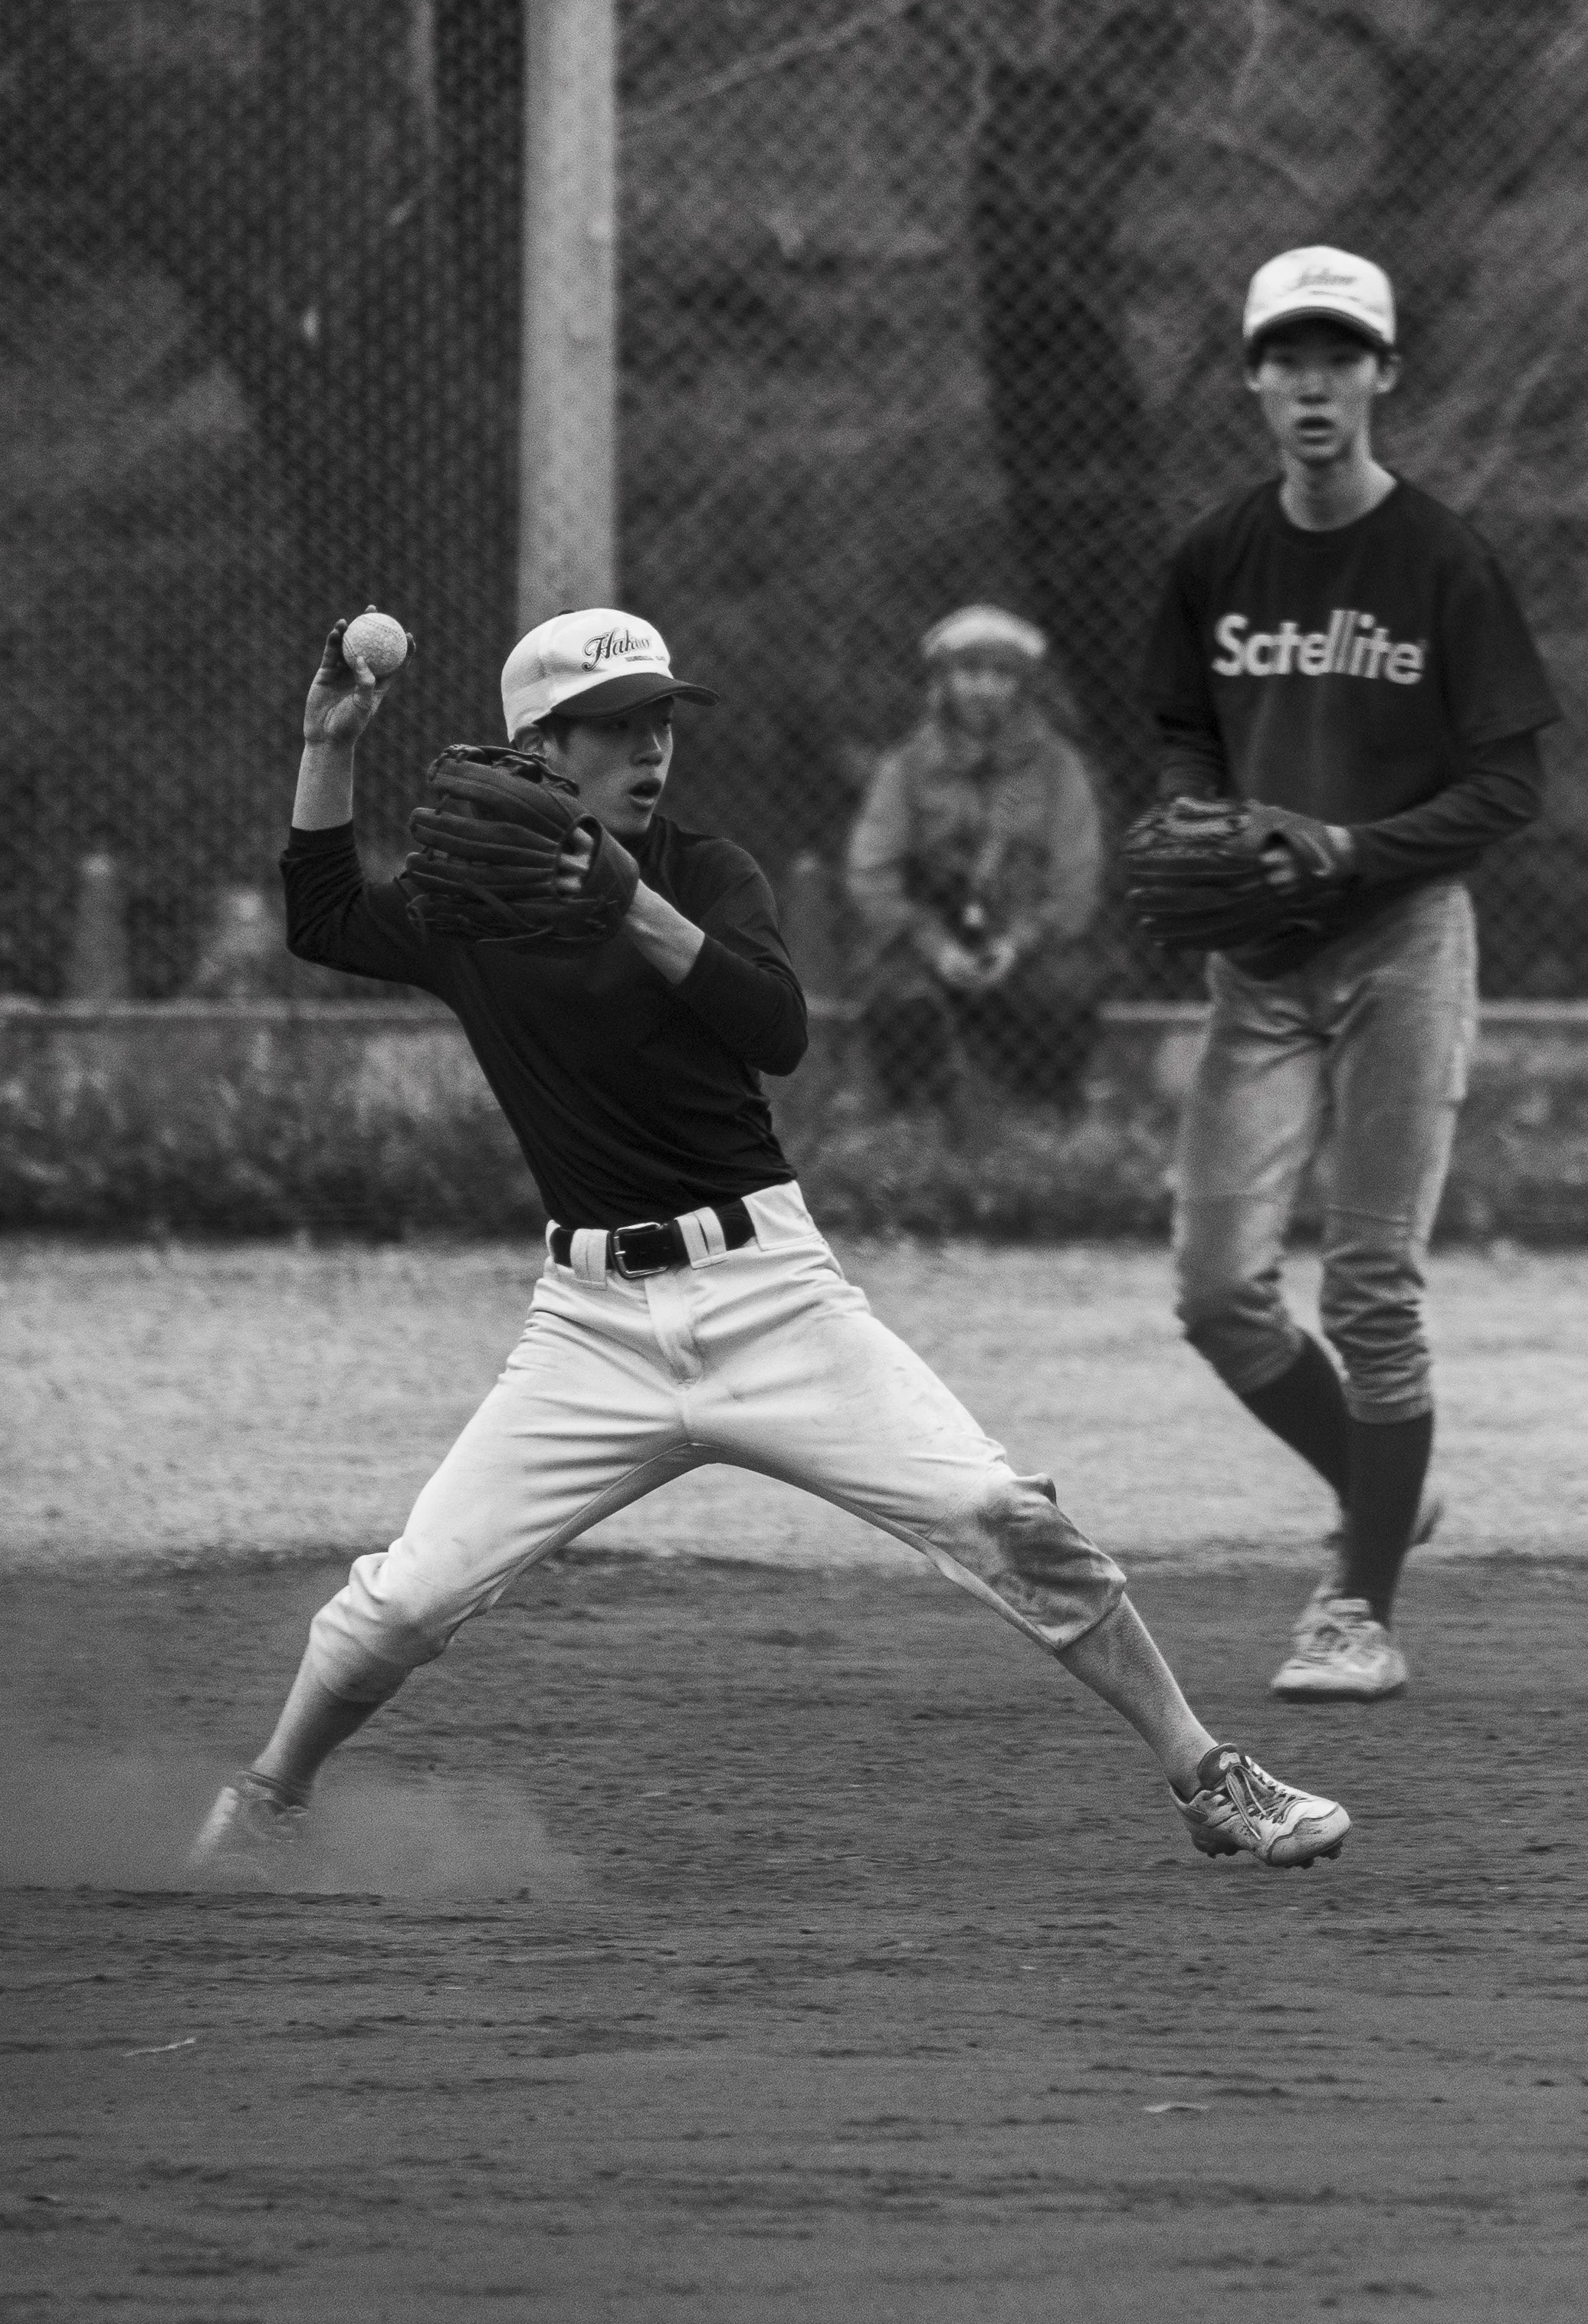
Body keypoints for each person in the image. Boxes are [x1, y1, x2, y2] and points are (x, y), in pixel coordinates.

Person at [190, 605, 1352, 1877]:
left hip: (769, 1293)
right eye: (614, 727)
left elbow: (773, 1026)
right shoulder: (469, 908)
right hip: (588, 1328)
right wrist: (327, 744)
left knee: (1002, 1517)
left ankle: (1204, 1774)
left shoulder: (703, 870)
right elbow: (320, 918)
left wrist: (631, 904)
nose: (650, 748)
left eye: (658, 722)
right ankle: (268, 1798)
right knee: (403, 1601)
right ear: (540, 747)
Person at [1142, 247, 1559, 1701]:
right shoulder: (1214, 555)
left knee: (1369, 1284)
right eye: (1284, 357)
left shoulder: (1440, 559)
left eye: (1339, 357)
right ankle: (1386, 1490)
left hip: (1398, 947)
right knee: (1213, 1291)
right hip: (1257, 962)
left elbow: (1505, 788)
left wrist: (1349, 848)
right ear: (1252, 378)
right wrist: (1199, 815)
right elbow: (1183, 728)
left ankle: (1355, 1606)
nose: (1311, 383)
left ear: (1381, 375)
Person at [846, 605, 1104, 1110]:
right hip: (927, 939)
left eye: (1001, 674)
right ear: (943, 681)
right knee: (899, 999)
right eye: (969, 672)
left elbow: (1077, 880)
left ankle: (1048, 1117)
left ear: (1023, 686)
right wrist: (932, 944)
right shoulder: (905, 767)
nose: (984, 688)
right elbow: (870, 873)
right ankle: (911, 1122)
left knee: (1067, 990)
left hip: (1027, 941)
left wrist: (1019, 942)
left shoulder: (1059, 768)